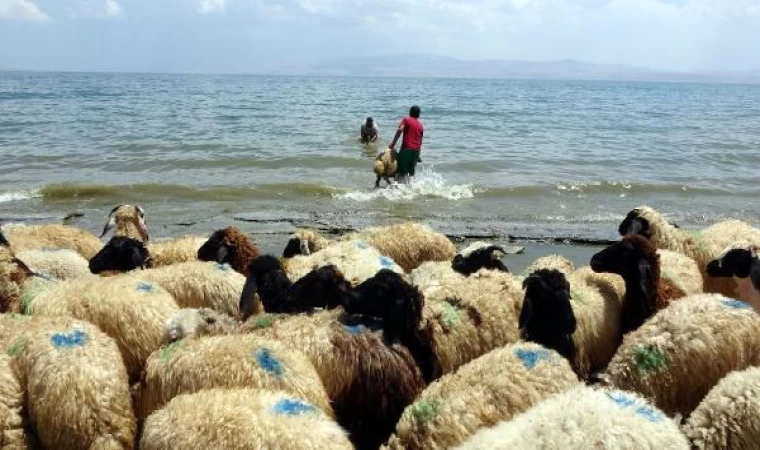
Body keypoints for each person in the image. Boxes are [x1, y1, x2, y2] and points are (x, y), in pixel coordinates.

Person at [389, 105, 423, 184]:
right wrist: (418, 156)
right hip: (416, 151)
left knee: (400, 172)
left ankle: (396, 191)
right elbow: (420, 140)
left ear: (410, 112)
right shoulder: (421, 125)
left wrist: (393, 144)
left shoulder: (406, 120)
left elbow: (400, 130)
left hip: (406, 149)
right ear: (418, 114)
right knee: (411, 174)